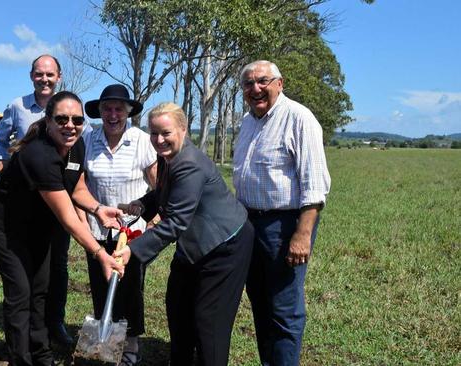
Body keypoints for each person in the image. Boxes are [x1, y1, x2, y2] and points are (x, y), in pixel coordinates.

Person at [0, 91, 125, 366]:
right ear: (48, 121)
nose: (70, 125)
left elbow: (76, 186)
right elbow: (68, 218)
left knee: (40, 288)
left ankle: (41, 354)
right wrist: (100, 253)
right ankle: (20, 359)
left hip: (38, 222)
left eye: (76, 119)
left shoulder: (76, 146)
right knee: (20, 291)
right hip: (5, 223)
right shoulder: (39, 155)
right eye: (61, 119)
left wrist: (96, 208)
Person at [114, 102, 255, 366]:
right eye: (153, 133)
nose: (158, 139)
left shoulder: (190, 164)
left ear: (183, 129)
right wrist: (144, 205)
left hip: (225, 245)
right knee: (177, 306)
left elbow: (176, 221)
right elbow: (165, 191)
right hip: (195, 243)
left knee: (208, 320)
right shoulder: (167, 156)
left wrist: (132, 251)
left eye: (165, 132)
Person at [233, 60, 331, 366]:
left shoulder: (299, 119)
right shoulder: (248, 122)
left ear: (280, 83)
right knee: (260, 302)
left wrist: (302, 235)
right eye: (248, 84)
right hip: (249, 223)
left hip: (284, 224)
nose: (255, 89)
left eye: (263, 81)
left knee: (284, 307)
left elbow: (314, 186)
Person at [0, 54, 75, 345]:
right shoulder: (17, 106)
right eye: (39, 74)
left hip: (57, 198)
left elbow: (77, 151)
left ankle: (56, 323)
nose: (45, 79)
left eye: (50, 75)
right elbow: (0, 138)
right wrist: (2, 165)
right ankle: (28, 325)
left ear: (59, 77)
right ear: (31, 76)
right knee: (31, 268)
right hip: (24, 204)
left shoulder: (68, 109)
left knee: (58, 266)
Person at [82, 84, 158, 366]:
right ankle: (106, 341)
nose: (112, 114)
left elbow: (157, 184)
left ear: (128, 112)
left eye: (118, 109)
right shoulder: (89, 140)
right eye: (107, 109)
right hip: (97, 229)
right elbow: (81, 184)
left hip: (132, 232)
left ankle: (132, 343)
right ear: (100, 112)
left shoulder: (141, 141)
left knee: (131, 287)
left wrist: (150, 215)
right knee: (100, 284)